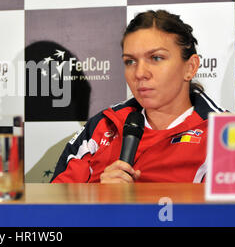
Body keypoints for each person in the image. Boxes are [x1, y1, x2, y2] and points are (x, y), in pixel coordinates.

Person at [51, 10, 225, 183]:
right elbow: (52, 203)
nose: (140, 73)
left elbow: (228, 210)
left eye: (156, 58)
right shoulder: (103, 125)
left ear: (190, 67)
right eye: (130, 61)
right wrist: (98, 196)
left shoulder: (223, 133)